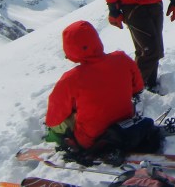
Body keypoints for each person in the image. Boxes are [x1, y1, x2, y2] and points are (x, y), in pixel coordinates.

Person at [45, 20, 144, 150]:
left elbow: (53, 119)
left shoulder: (71, 79)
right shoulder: (122, 59)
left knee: (58, 124)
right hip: (124, 125)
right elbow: (138, 87)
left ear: (70, 48)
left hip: (91, 139)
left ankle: (52, 142)